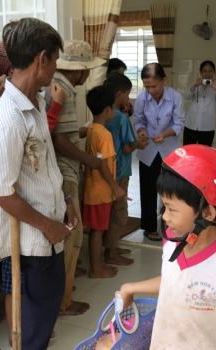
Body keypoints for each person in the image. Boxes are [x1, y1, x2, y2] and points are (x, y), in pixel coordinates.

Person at [0, 18, 77, 349]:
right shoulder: (8, 118)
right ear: (42, 59)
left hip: (47, 233)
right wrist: (48, 225)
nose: (56, 68)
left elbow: (41, 165)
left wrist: (65, 198)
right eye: (56, 60)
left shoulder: (35, 101)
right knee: (33, 328)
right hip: (33, 241)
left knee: (43, 318)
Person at [119, 144, 216, 349]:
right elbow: (174, 281)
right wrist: (132, 288)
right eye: (164, 206)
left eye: (171, 209)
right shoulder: (172, 240)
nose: (165, 217)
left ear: (207, 213)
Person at [47, 39, 104, 316]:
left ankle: (61, 289)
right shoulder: (64, 90)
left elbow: (64, 133)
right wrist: (90, 160)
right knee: (73, 233)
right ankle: (63, 300)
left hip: (61, 170)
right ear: (79, 69)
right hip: (64, 171)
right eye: (87, 70)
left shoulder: (57, 84)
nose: (88, 75)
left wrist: (84, 132)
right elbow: (59, 141)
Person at [134, 62, 185, 241]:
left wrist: (165, 134)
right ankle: (149, 227)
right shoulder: (142, 99)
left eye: (154, 86)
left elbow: (179, 123)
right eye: (147, 86)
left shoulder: (175, 97)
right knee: (147, 189)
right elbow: (138, 120)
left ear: (163, 80)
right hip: (148, 150)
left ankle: (169, 225)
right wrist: (141, 131)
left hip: (169, 150)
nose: (151, 90)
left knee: (169, 191)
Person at [83, 85, 126, 278]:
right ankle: (96, 268)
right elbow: (102, 165)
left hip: (93, 189)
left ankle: (96, 266)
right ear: (108, 110)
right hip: (101, 192)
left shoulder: (92, 129)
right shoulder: (105, 134)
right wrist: (115, 187)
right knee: (98, 231)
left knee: (95, 230)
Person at [103, 73, 145, 266]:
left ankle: (112, 246)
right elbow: (127, 147)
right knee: (119, 213)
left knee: (110, 210)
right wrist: (140, 143)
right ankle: (111, 253)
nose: (128, 99)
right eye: (127, 95)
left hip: (108, 170)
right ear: (119, 93)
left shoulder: (105, 113)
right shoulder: (120, 118)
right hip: (120, 171)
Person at [183, 60, 216, 146]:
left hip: (207, 127)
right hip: (191, 125)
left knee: (205, 154)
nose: (207, 73)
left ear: (214, 72)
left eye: (210, 71)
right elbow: (186, 96)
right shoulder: (196, 85)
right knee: (188, 152)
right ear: (201, 72)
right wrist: (194, 85)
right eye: (205, 71)